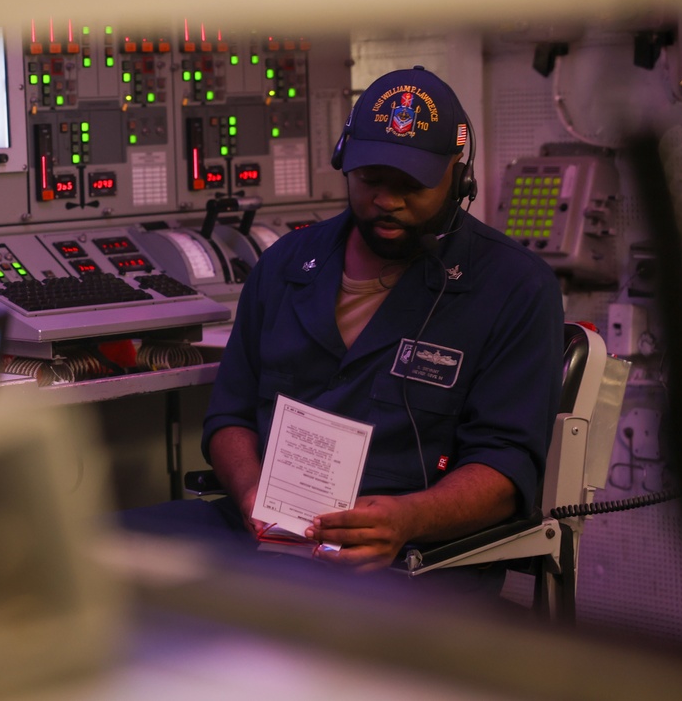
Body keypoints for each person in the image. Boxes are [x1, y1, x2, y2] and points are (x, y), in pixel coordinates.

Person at [126, 66, 564, 594]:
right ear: (344, 162)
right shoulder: (286, 264)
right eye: (371, 179)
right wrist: (248, 494)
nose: (387, 201)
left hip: (410, 557)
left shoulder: (513, 286)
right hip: (266, 535)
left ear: (458, 177)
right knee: (89, 556)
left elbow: (505, 468)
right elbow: (230, 417)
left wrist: (406, 520)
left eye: (411, 186)